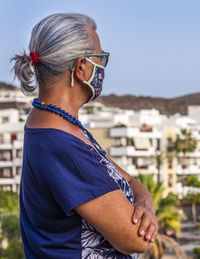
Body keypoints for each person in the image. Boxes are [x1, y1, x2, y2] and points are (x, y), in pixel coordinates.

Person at [11, 13, 158, 258]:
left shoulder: (60, 124)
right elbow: (135, 239)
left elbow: (132, 181)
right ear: (81, 67)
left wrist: (144, 204)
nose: (102, 67)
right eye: (101, 59)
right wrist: (144, 211)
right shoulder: (61, 144)